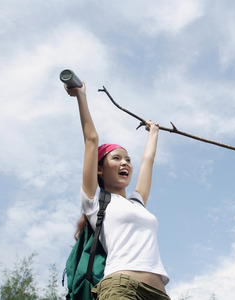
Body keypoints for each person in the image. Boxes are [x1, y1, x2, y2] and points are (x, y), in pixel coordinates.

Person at [65, 81, 170, 300]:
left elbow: (148, 161)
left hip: (159, 293)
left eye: (128, 160)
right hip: (122, 287)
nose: (125, 163)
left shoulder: (137, 202)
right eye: (117, 158)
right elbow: (91, 140)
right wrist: (81, 96)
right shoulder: (95, 201)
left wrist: (153, 132)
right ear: (99, 170)